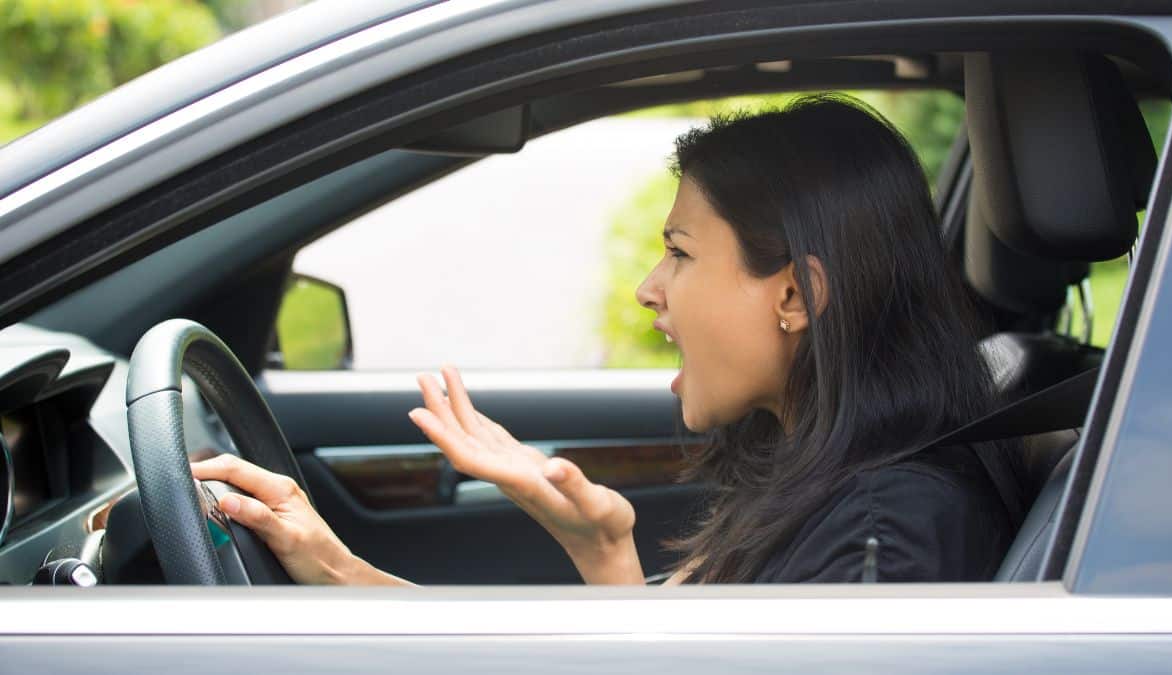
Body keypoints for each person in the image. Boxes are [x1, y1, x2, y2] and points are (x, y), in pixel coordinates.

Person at [191, 93, 1022, 586]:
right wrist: (336, 566)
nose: (648, 289)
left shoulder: (884, 537)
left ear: (797, 293)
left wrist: (608, 557)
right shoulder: (823, 479)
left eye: (680, 253)